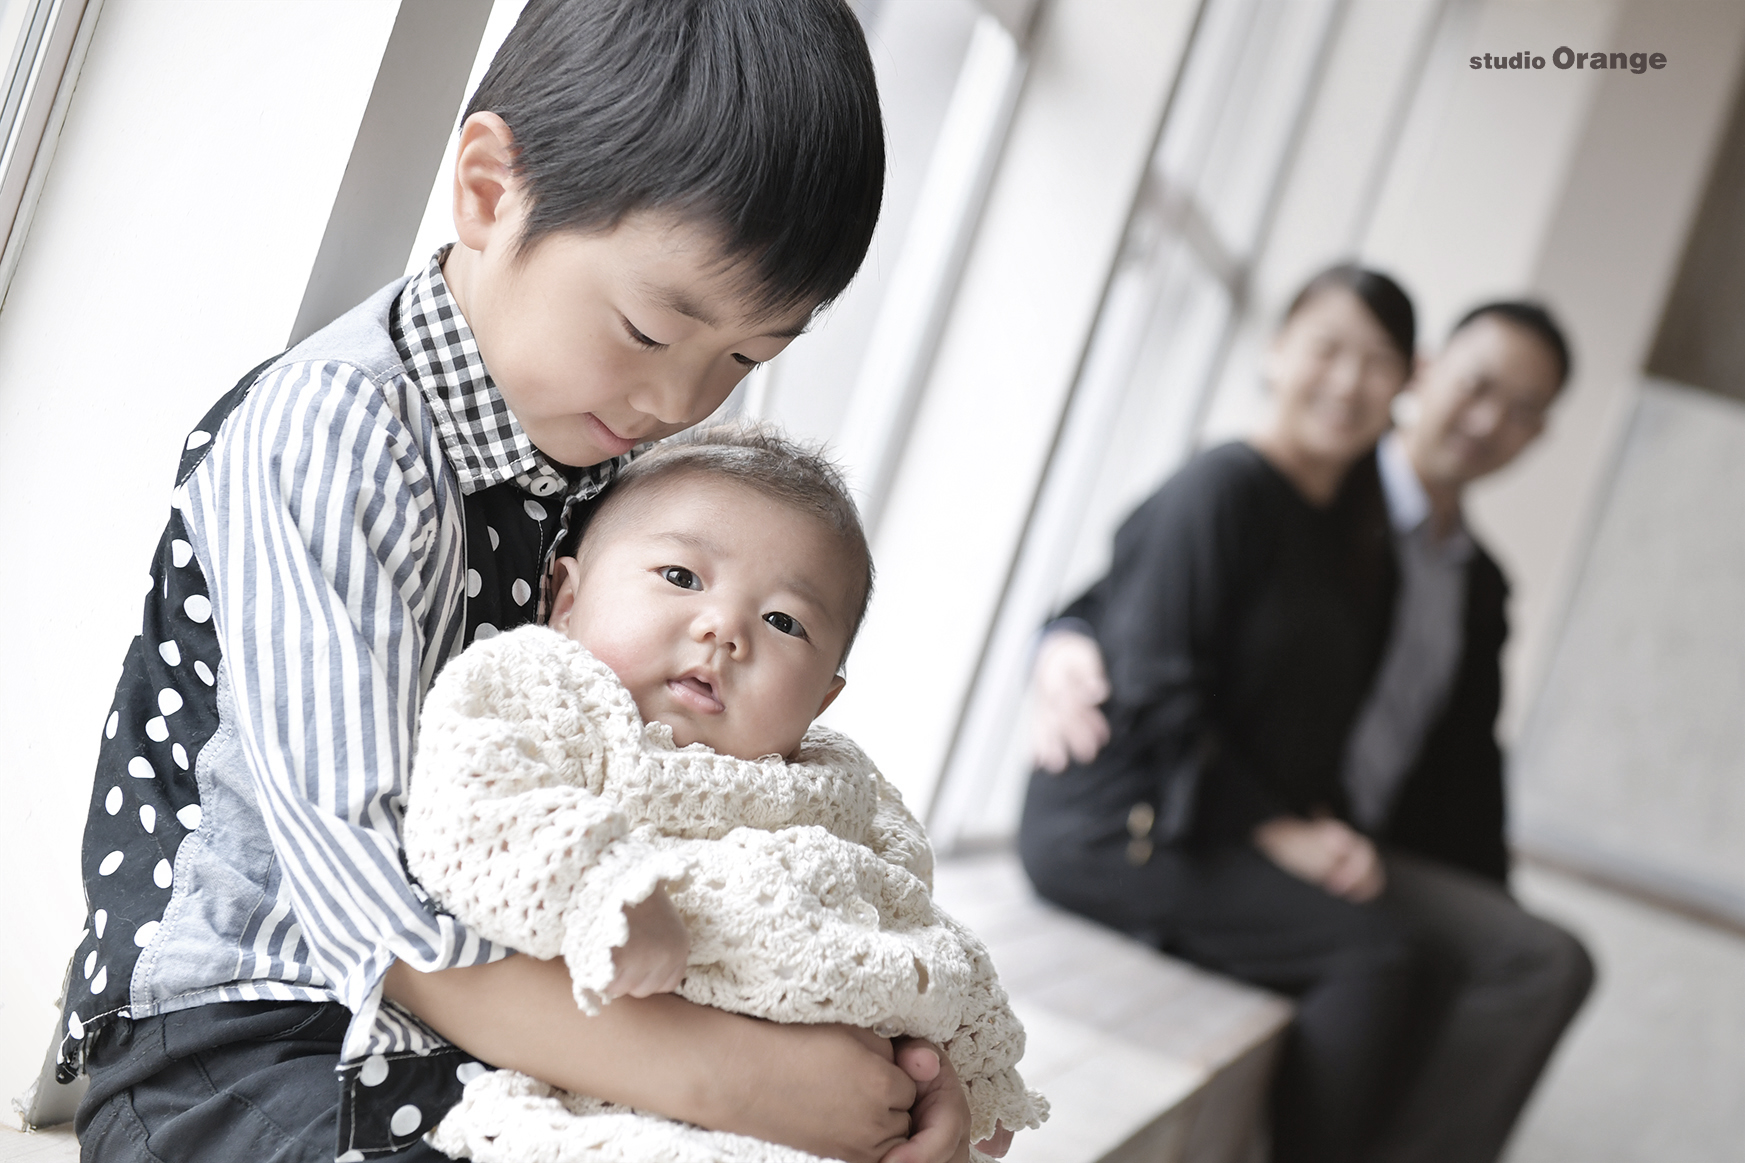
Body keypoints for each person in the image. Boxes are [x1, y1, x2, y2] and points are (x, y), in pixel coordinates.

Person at [63, 4, 985, 1162]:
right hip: (256, 1040)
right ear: (490, 190)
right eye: (653, 328)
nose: (680, 400)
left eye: (747, 360)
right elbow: (372, 892)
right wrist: (735, 1076)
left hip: (525, 1036)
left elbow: (725, 817)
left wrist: (895, 1066)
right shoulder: (336, 433)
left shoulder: (630, 476)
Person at [1020, 273, 1593, 1163]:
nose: (1488, 420)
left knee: (1514, 957)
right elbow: (1142, 599)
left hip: (1332, 825)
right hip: (1212, 814)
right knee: (1417, 960)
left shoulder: (1449, 568)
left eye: (1522, 409)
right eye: (1478, 385)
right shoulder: (1313, 488)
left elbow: (1468, 774)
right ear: (1430, 374)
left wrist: (1483, 906)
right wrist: (1059, 638)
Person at [401, 427, 1043, 1163]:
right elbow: (476, 799)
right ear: (567, 599)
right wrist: (602, 884)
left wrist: (968, 1074)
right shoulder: (547, 692)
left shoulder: (839, 786)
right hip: (615, 1084)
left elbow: (914, 917)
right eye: (681, 576)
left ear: (821, 700)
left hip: (833, 1068)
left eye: (783, 621)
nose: (725, 629)